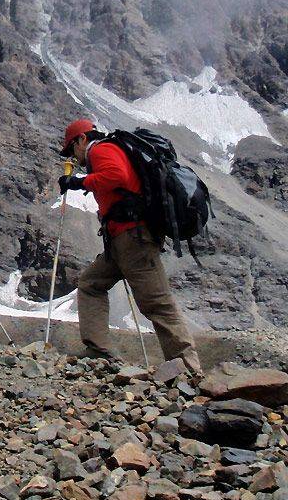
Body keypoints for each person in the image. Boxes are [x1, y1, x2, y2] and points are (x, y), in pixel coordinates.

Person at [57, 118, 202, 374]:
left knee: (157, 303)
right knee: (91, 283)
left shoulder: (101, 150)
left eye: (71, 149)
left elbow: (117, 176)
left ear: (81, 139)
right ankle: (98, 350)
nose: (73, 156)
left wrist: (80, 182)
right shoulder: (109, 149)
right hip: (121, 240)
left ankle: (189, 370)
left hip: (133, 239)